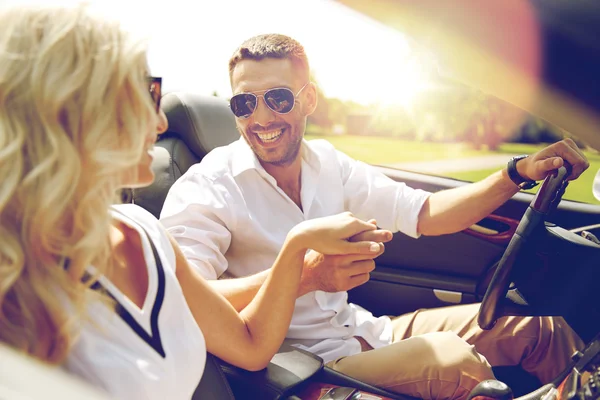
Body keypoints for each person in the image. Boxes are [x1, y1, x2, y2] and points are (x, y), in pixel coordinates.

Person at [160, 33, 590, 400]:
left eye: (277, 98)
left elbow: (426, 212)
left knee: (539, 327)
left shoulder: (327, 162)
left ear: (308, 98)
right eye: (243, 103)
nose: (261, 117)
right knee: (457, 364)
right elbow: (183, 302)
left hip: (368, 332)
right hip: (306, 366)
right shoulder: (207, 188)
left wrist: (515, 173)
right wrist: (303, 277)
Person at [0, 9, 387, 400]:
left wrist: (297, 246)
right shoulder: (12, 291)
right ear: (62, 116)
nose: (161, 123)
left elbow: (251, 348)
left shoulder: (144, 233)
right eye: (145, 93)